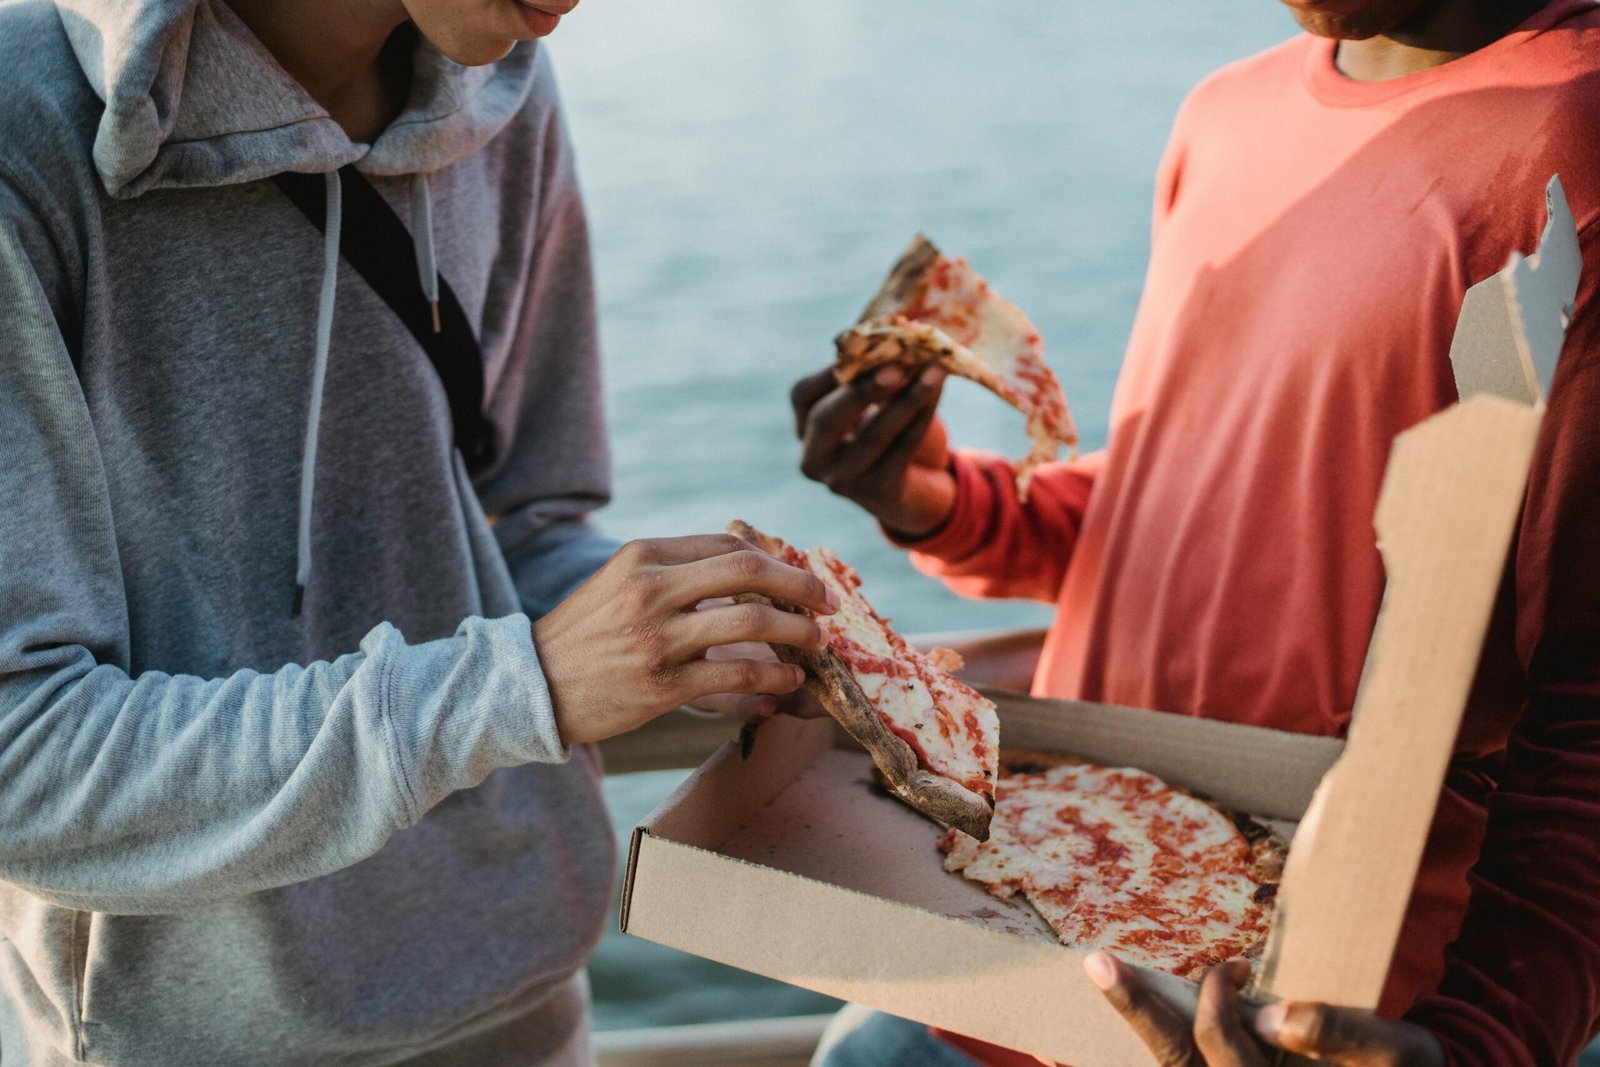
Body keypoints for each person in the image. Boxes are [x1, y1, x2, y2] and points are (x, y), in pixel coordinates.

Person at [0, 0, 840, 1064]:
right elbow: (20, 758)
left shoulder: (503, 96)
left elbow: (521, 528)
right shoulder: (24, 130)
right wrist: (521, 683)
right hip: (198, 1037)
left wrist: (702, 635)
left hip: (528, 1002)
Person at [794, 0, 1600, 1064]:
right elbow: (1179, 492)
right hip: (1028, 927)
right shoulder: (1227, 110)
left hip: (1294, 1015)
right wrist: (941, 501)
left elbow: (1586, 708)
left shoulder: (1576, 143)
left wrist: (1481, 1037)